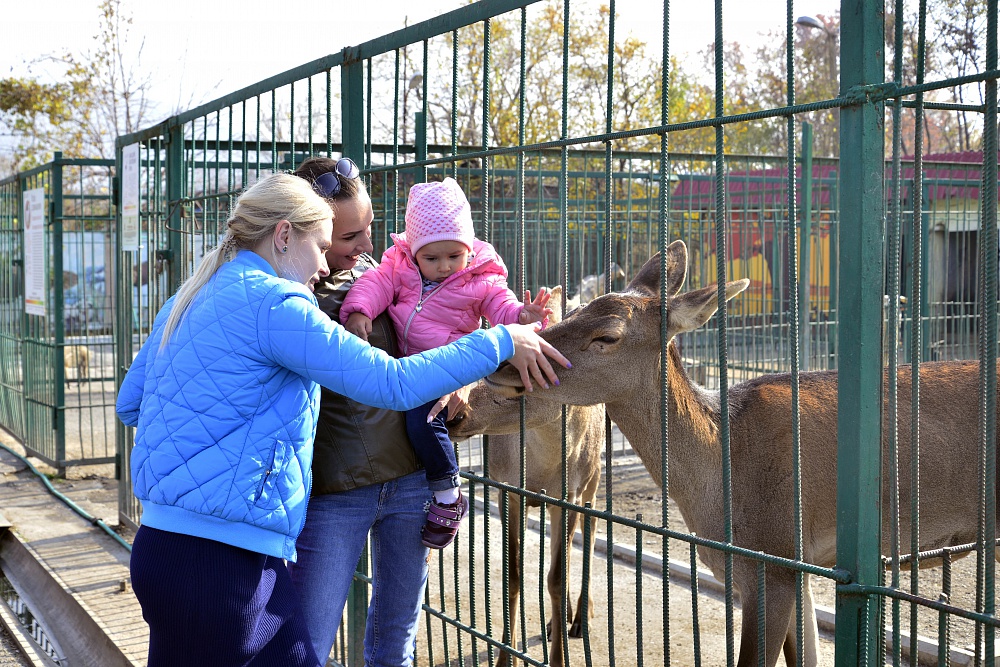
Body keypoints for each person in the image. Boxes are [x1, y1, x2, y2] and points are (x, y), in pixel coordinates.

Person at [115, 172, 568, 667]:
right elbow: (392, 385)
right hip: (227, 559)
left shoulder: (191, 293)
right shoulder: (278, 303)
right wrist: (502, 340)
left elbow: (131, 403)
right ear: (285, 235)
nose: (320, 268)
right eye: (323, 245)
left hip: (161, 546)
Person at [340, 177, 553, 550]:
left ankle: (447, 493)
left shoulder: (482, 278)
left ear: (469, 249)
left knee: (423, 420)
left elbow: (502, 309)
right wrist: (359, 311)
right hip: (403, 366)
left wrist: (523, 315)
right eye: (431, 258)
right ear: (414, 251)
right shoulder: (399, 266)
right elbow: (373, 285)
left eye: (454, 256)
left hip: (445, 367)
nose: (443, 267)